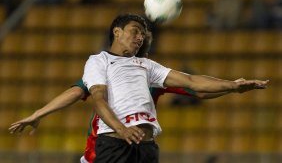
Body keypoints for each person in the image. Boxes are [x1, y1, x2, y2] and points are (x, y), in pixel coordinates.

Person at [9, 24, 252, 163]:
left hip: (134, 147)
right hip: (102, 150)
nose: (138, 41)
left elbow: (197, 88)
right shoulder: (106, 67)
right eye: (136, 35)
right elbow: (76, 91)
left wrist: (231, 87)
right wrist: (38, 113)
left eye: (141, 38)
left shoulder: (151, 74)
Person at [82, 13, 268, 163]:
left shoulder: (147, 65)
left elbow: (192, 81)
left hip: (146, 148)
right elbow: (98, 99)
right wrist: (122, 129)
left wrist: (233, 85)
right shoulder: (99, 61)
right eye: (135, 31)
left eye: (142, 35)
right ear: (117, 32)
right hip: (116, 144)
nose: (139, 37)